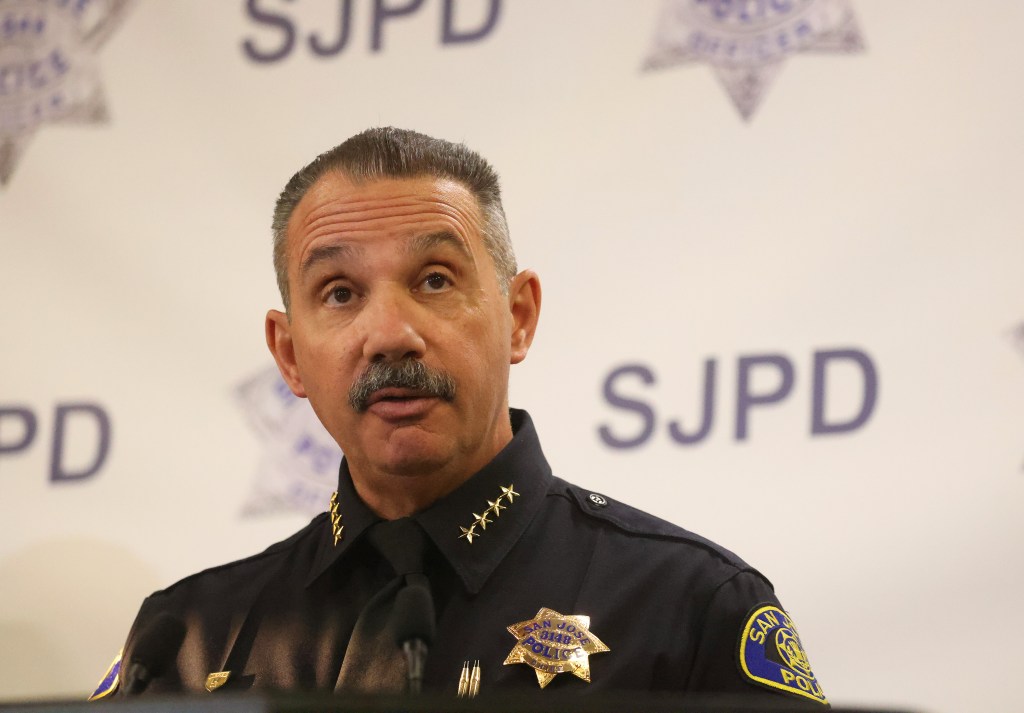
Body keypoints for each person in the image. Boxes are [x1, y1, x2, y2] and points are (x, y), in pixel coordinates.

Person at [90, 128, 827, 706]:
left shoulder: (690, 607)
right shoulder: (185, 641)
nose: (389, 334)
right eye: (340, 292)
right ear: (289, 355)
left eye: (435, 279)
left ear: (518, 316)